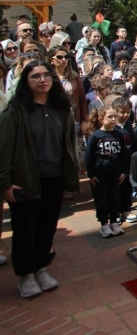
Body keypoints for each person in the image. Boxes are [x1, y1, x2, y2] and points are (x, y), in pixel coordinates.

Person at [0, 61, 79, 298]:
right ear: (26, 81)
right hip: (25, 181)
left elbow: (69, 145)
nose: (42, 80)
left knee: (46, 227)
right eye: (35, 76)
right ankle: (25, 275)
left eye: (46, 75)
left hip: (54, 177)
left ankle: (41, 268)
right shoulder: (15, 113)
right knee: (25, 229)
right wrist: (4, 182)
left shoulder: (62, 109)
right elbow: (4, 149)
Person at [84, 104, 127, 238]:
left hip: (115, 169)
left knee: (114, 196)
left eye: (115, 116)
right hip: (100, 169)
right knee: (101, 197)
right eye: (110, 117)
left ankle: (114, 221)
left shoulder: (119, 134)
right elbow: (88, 156)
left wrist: (124, 171)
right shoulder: (95, 136)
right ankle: (104, 223)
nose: (113, 119)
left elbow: (124, 154)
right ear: (102, 118)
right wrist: (91, 174)